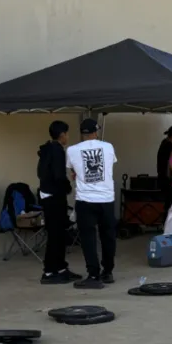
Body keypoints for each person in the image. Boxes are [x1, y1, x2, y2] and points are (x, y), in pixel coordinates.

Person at [65, 119, 117, 289]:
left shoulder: (72, 150)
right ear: (96, 131)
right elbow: (109, 166)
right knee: (108, 236)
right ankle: (108, 272)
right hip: (106, 199)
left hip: (85, 199)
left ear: (82, 133)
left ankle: (93, 274)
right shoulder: (108, 147)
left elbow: (73, 171)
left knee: (88, 238)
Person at [37, 120, 80, 284]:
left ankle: (61, 268)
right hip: (54, 197)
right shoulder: (56, 151)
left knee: (60, 234)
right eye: (67, 134)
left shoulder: (47, 149)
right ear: (62, 134)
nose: (68, 137)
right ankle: (49, 272)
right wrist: (67, 186)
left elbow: (41, 173)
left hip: (49, 195)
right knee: (55, 235)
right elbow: (58, 175)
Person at [157, 124, 172, 214]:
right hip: (168, 180)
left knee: (169, 204)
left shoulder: (165, 143)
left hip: (165, 179)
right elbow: (169, 164)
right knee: (170, 204)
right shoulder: (169, 146)